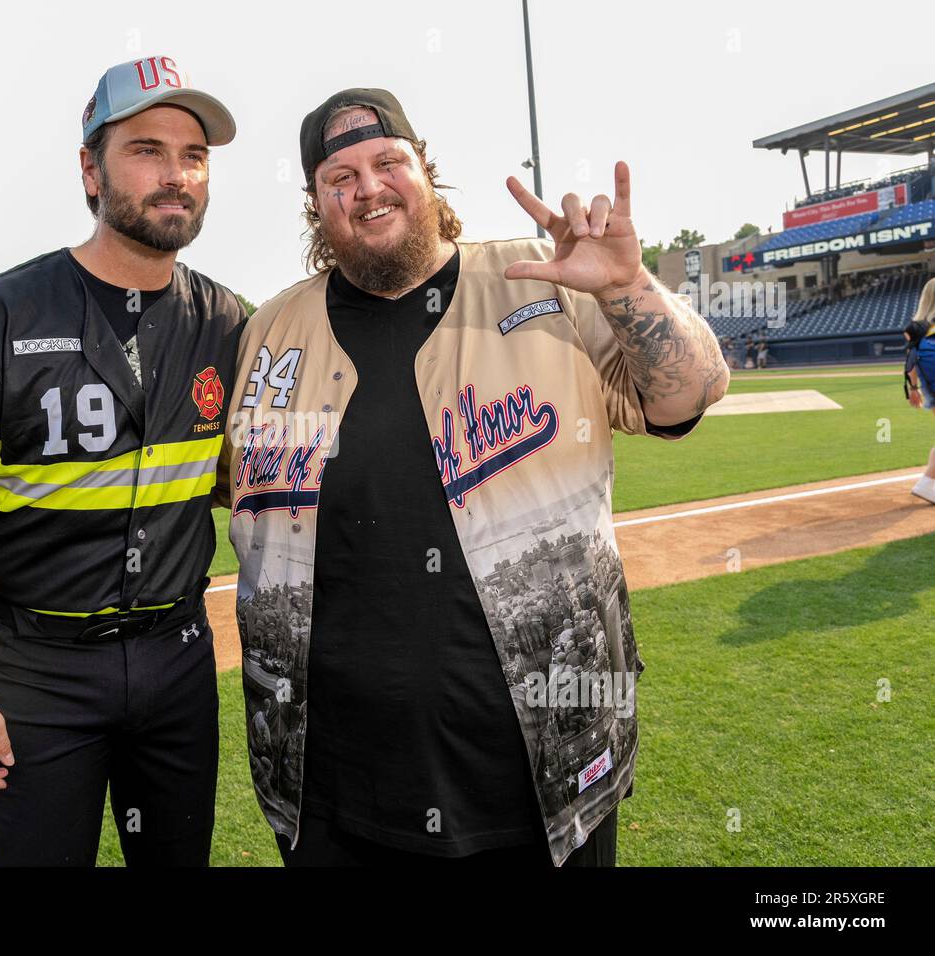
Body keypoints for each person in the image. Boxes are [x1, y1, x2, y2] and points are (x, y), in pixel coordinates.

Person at [220, 88, 728, 867]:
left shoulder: (542, 282)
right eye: (340, 176)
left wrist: (626, 288)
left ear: (427, 172)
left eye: (388, 161)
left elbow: (686, 394)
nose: (368, 187)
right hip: (333, 792)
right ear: (317, 205)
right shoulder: (271, 332)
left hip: (545, 775)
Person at [0, 56, 244, 866]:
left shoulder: (226, 321)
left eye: (194, 157)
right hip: (39, 671)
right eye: (147, 150)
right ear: (91, 168)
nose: (176, 175)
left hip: (179, 657)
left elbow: (243, 479)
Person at [903, 277, 935, 505]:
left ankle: (928, 484)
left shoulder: (915, 327)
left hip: (929, 387)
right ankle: (925, 483)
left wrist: (914, 389)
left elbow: (910, 360)